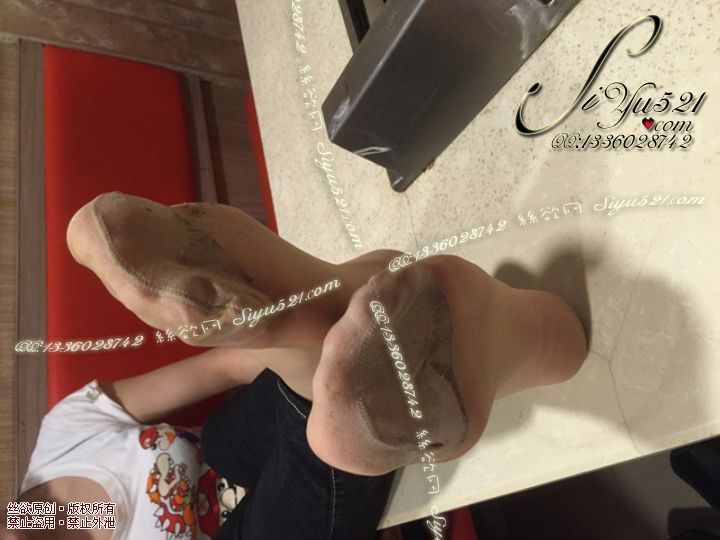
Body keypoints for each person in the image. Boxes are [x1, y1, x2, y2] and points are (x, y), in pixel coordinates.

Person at [3, 192, 588, 539]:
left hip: (241, 451)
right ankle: (338, 343)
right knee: (328, 439)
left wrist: (32, 520)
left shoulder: (63, 439)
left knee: (238, 434)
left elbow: (217, 371)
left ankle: (315, 336)